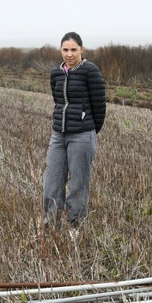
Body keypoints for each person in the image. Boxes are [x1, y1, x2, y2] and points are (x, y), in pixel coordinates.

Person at [43, 32, 107, 237]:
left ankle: (75, 229)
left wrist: (89, 129)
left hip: (82, 135)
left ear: (81, 50)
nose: (69, 54)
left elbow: (99, 106)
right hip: (58, 135)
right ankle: (50, 228)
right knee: (52, 183)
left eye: (73, 49)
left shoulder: (90, 71)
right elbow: (57, 100)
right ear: (60, 50)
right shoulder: (56, 73)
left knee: (78, 184)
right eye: (65, 50)